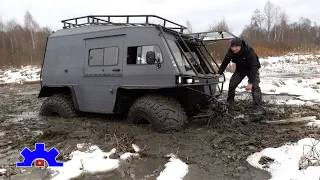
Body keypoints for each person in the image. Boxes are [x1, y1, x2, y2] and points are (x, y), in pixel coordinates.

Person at [215, 37, 262, 106]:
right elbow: (225, 61)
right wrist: (219, 72)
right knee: (232, 84)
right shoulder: (230, 52)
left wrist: (251, 83)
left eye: (236, 47)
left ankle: (258, 104)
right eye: (232, 47)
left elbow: (254, 66)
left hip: (252, 69)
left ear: (240, 46)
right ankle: (230, 101)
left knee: (255, 86)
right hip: (240, 69)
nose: (234, 49)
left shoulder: (248, 51)